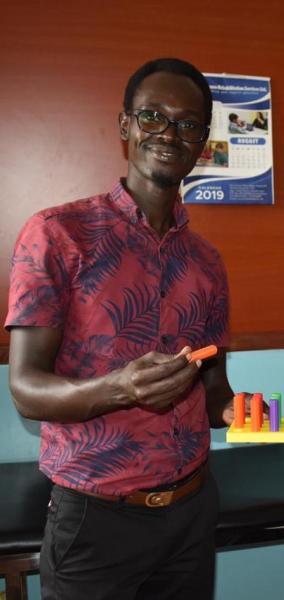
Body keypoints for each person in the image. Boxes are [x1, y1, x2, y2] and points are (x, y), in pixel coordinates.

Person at [5, 57, 240, 600]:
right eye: (152, 116)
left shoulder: (207, 262)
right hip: (95, 521)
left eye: (187, 124)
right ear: (125, 126)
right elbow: (26, 390)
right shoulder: (58, 235)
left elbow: (213, 395)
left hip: (191, 512)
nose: (168, 133)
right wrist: (119, 388)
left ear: (202, 141)